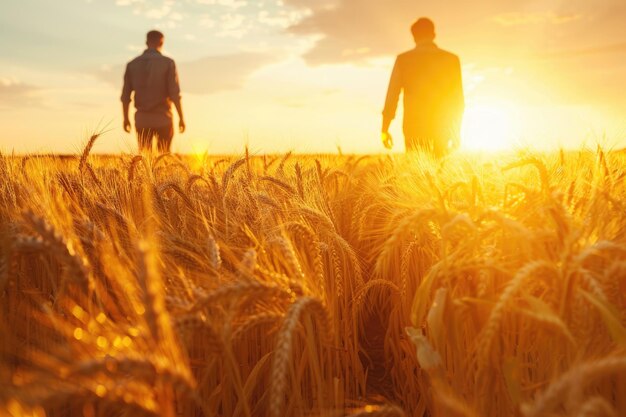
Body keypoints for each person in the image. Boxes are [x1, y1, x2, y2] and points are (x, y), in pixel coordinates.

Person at [382, 18, 464, 157]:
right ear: (434, 35)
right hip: (442, 125)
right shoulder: (451, 59)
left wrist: (385, 128)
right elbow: (458, 100)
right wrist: (456, 131)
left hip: (413, 125)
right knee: (438, 173)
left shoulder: (403, 60)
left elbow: (392, 95)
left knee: (416, 172)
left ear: (414, 37)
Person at [121, 30, 185, 153]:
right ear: (161, 42)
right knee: (164, 158)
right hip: (163, 119)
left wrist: (125, 118)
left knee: (145, 159)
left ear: (146, 42)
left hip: (142, 120)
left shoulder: (132, 64)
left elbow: (125, 96)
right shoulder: (168, 63)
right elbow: (174, 94)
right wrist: (181, 117)